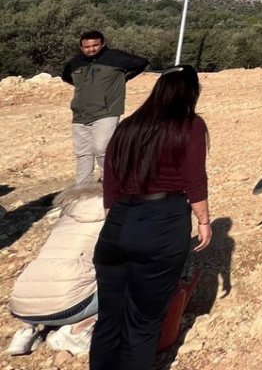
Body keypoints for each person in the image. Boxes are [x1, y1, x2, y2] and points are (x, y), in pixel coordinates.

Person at [91, 65, 211, 370]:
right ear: (190, 93)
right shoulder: (189, 125)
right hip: (163, 221)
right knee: (143, 324)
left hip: (118, 224)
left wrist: (115, 221)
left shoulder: (128, 126)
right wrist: (204, 221)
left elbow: (111, 181)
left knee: (109, 320)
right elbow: (194, 179)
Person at [7, 184, 105, 357]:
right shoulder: (108, 214)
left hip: (21, 306)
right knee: (121, 281)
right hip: (68, 307)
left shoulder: (66, 218)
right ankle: (76, 331)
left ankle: (25, 333)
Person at [61, 31, 149, 184]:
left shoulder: (115, 57)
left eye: (95, 45)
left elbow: (142, 62)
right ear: (81, 47)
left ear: (102, 44)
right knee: (83, 154)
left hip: (106, 112)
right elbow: (66, 76)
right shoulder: (75, 62)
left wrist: (124, 78)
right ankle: (82, 189)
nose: (91, 49)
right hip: (80, 114)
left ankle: (110, 183)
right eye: (87, 46)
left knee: (102, 149)